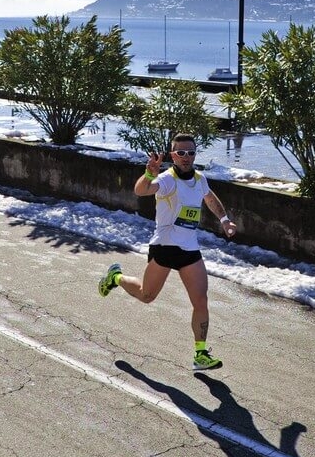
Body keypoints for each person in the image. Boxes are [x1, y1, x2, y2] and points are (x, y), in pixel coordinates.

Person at [98, 133, 238, 371]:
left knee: (201, 300)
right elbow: (141, 190)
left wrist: (225, 220)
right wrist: (149, 172)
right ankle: (116, 277)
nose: (186, 157)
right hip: (165, 245)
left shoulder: (200, 179)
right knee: (146, 296)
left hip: (190, 249)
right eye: (181, 153)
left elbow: (210, 197)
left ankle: (200, 354)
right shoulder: (167, 179)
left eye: (190, 152)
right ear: (172, 155)